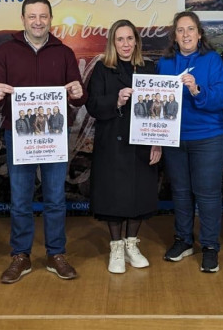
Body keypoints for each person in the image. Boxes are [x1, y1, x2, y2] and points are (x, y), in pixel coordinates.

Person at [0, 0, 87, 283]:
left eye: (43, 16)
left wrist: (79, 94)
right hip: (19, 135)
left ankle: (56, 254)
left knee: (55, 197)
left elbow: (79, 97)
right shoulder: (6, 51)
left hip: (54, 136)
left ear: (50, 19)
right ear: (23, 19)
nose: (38, 21)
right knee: (20, 198)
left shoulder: (64, 52)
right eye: (32, 16)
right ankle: (21, 255)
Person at [86, 19, 162, 274]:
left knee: (139, 193)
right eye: (120, 39)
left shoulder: (149, 68)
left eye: (130, 38)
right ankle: (116, 246)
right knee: (114, 196)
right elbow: (93, 106)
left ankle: (132, 244)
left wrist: (158, 143)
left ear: (136, 42)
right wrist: (116, 100)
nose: (125, 44)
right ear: (112, 43)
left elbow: (160, 113)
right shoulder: (101, 69)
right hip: (112, 144)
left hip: (142, 143)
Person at [159, 11, 223, 273]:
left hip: (209, 137)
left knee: (208, 194)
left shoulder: (212, 60)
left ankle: (210, 246)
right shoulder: (165, 64)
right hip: (175, 138)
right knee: (180, 192)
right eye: (180, 30)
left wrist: (196, 90)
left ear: (199, 34)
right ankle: (183, 240)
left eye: (190, 29)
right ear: (175, 36)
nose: (186, 35)